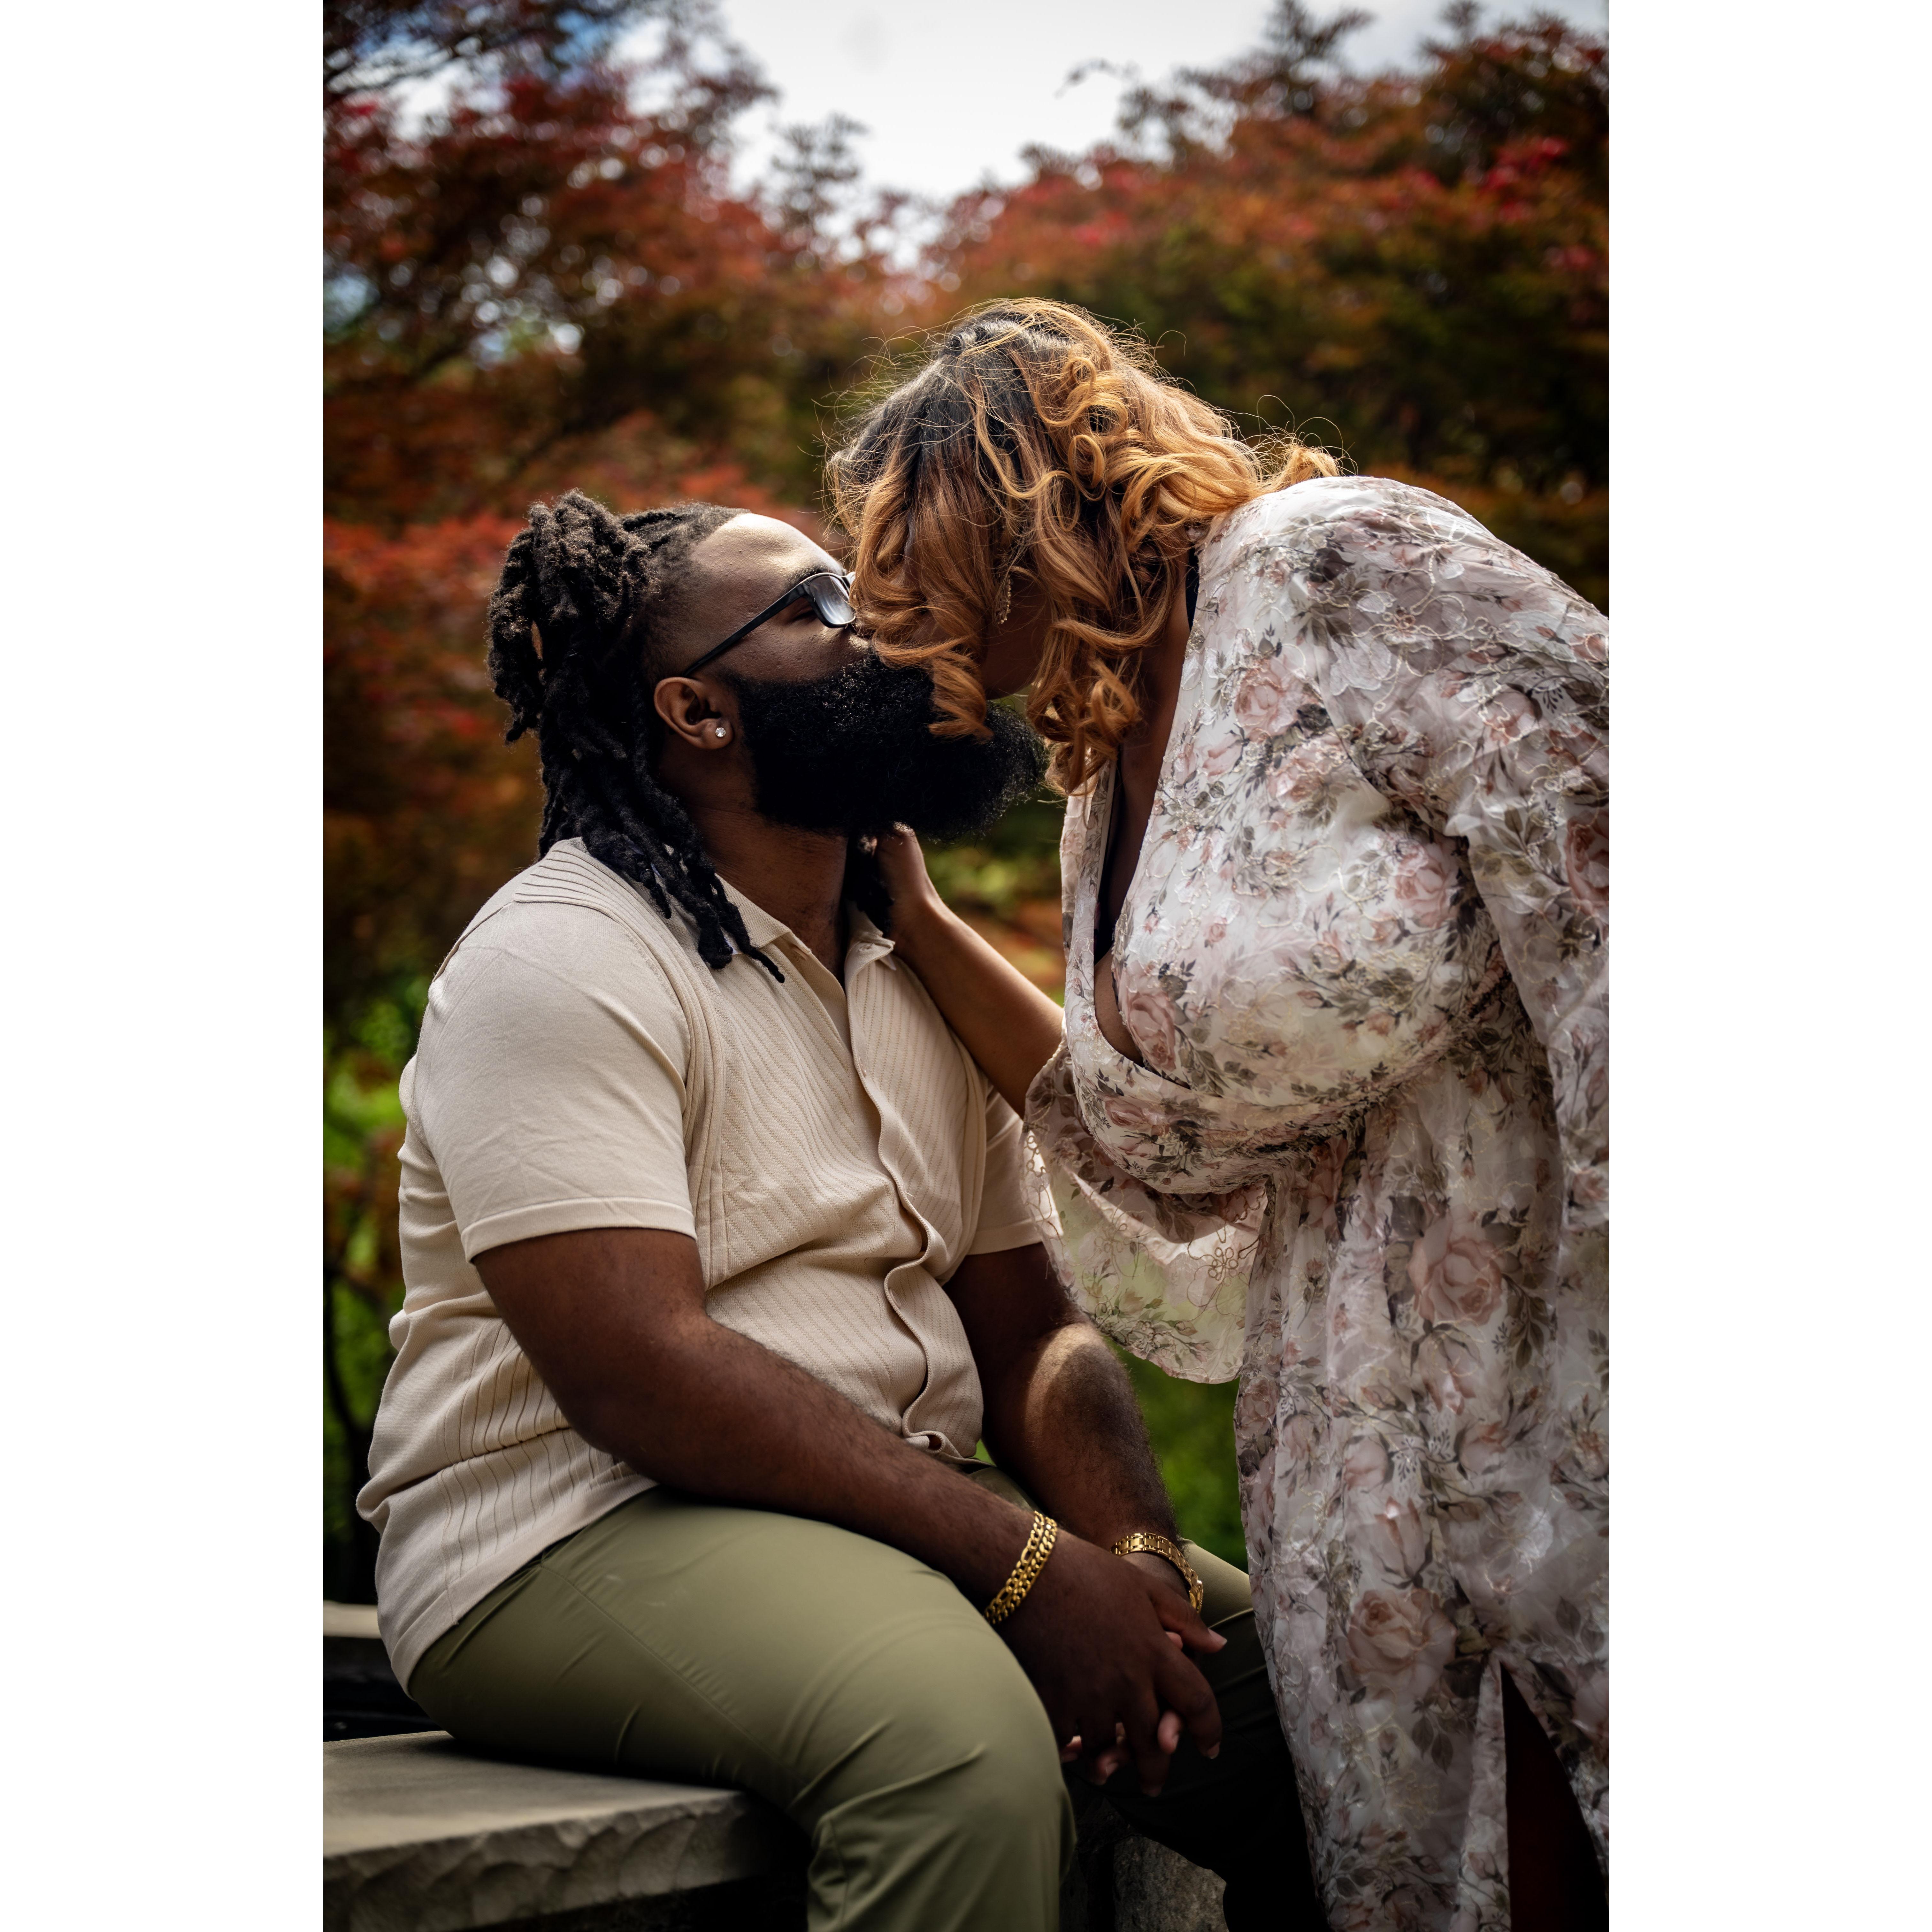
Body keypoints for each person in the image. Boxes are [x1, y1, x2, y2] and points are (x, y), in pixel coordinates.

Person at [356, 488, 1322, 1932]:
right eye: (818, 609)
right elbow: (641, 1371)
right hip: (569, 1531)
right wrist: (1026, 1570)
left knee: (1335, 1713)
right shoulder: (563, 960)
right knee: (959, 1753)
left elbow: (1032, 1336)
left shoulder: (905, 967)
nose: (887, 626)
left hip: (875, 1511)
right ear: (697, 711)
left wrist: (1131, 1564)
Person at [828, 300, 1608, 1932]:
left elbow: (1616, 855)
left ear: (1011, 506)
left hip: (1562, 1346)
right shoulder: (1104, 776)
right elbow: (1157, 1144)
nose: (893, 630)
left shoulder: (1339, 563)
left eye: (907, 568)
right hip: (1351, 1440)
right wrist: (907, 915)